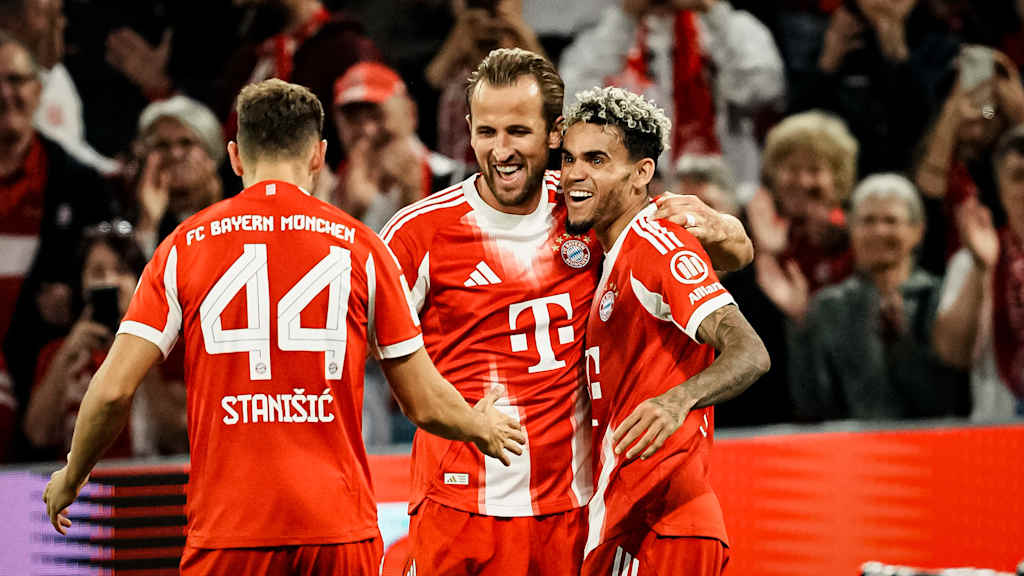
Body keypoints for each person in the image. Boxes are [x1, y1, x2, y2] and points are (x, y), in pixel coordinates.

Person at [42, 78, 525, 575]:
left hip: (230, 532)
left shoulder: (182, 248)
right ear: (318, 155)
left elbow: (113, 391)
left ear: (233, 156)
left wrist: (74, 474)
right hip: (337, 530)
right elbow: (422, 401)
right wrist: (479, 425)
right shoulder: (364, 249)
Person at [381, 47, 753, 575]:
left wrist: (727, 229)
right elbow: (372, 341)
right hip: (458, 504)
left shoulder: (587, 204)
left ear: (554, 132)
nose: (501, 151)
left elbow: (720, 254)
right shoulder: (418, 233)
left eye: (518, 132)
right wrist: (454, 414)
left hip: (571, 510)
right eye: (486, 132)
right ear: (467, 130)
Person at [560, 85, 768, 576]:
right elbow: (738, 249)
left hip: (666, 516)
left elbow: (749, 351)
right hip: (624, 510)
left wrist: (678, 399)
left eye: (596, 159)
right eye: (568, 159)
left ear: (641, 173)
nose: (574, 174)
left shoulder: (657, 244)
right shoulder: (612, 250)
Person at [0, 32, 111, 451]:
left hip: (45, 390)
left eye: (16, 80)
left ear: (40, 89)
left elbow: (111, 281)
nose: (5, 94)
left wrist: (73, 308)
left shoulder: (82, 185)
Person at [789, 174, 966, 420]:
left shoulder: (942, 297)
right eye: (868, 221)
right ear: (851, 228)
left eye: (891, 221)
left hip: (930, 449)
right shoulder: (827, 306)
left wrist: (901, 346)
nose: (879, 231)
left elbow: (945, 403)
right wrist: (798, 326)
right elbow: (812, 408)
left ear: (918, 231)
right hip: (848, 451)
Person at [934, 123, 1024, 420]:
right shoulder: (971, 259)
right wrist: (980, 268)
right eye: (1018, 177)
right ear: (1000, 188)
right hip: (996, 437)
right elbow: (953, 353)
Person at [325, 61, 464, 232]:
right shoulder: (325, 190)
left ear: (410, 113)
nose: (368, 130)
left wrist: (413, 199)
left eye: (377, 114)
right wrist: (350, 212)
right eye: (353, 119)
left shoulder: (458, 182)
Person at [124, 95, 225, 256]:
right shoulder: (128, 211)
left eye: (186, 143)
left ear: (211, 155)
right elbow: (135, 278)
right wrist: (148, 222)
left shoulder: (244, 206)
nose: (175, 154)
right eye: (162, 145)